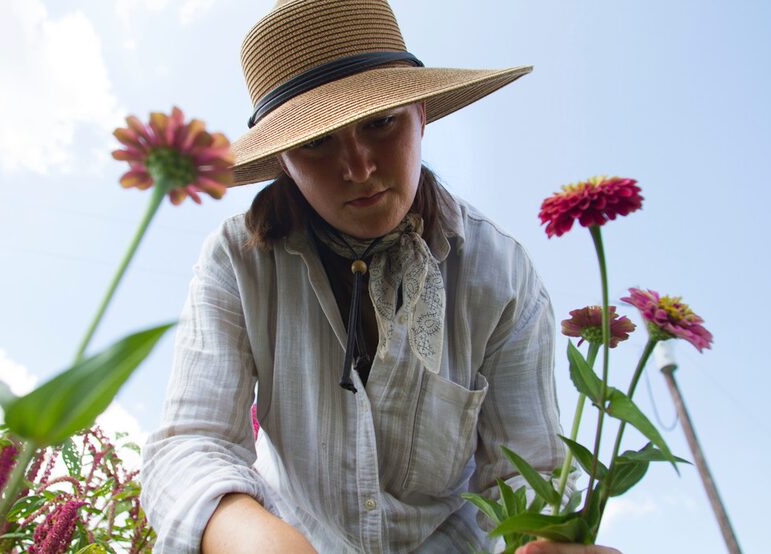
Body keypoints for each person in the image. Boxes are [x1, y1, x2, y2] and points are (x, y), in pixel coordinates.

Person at [140, 1, 621, 553]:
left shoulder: (501, 275)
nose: (359, 166)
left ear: (421, 113)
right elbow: (191, 445)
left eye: (379, 122)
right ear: (283, 160)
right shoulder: (238, 260)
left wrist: (543, 541)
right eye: (317, 142)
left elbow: (528, 474)